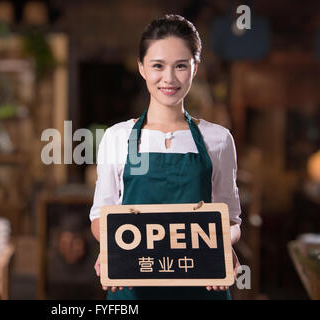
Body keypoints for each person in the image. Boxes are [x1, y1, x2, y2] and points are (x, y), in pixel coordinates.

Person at [89, 14, 242, 300]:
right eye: (158, 66)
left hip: (202, 286)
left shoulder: (218, 139)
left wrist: (223, 247)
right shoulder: (117, 137)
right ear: (142, 68)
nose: (169, 78)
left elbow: (231, 221)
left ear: (195, 69)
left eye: (181, 66)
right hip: (132, 286)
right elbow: (100, 216)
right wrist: (110, 247)